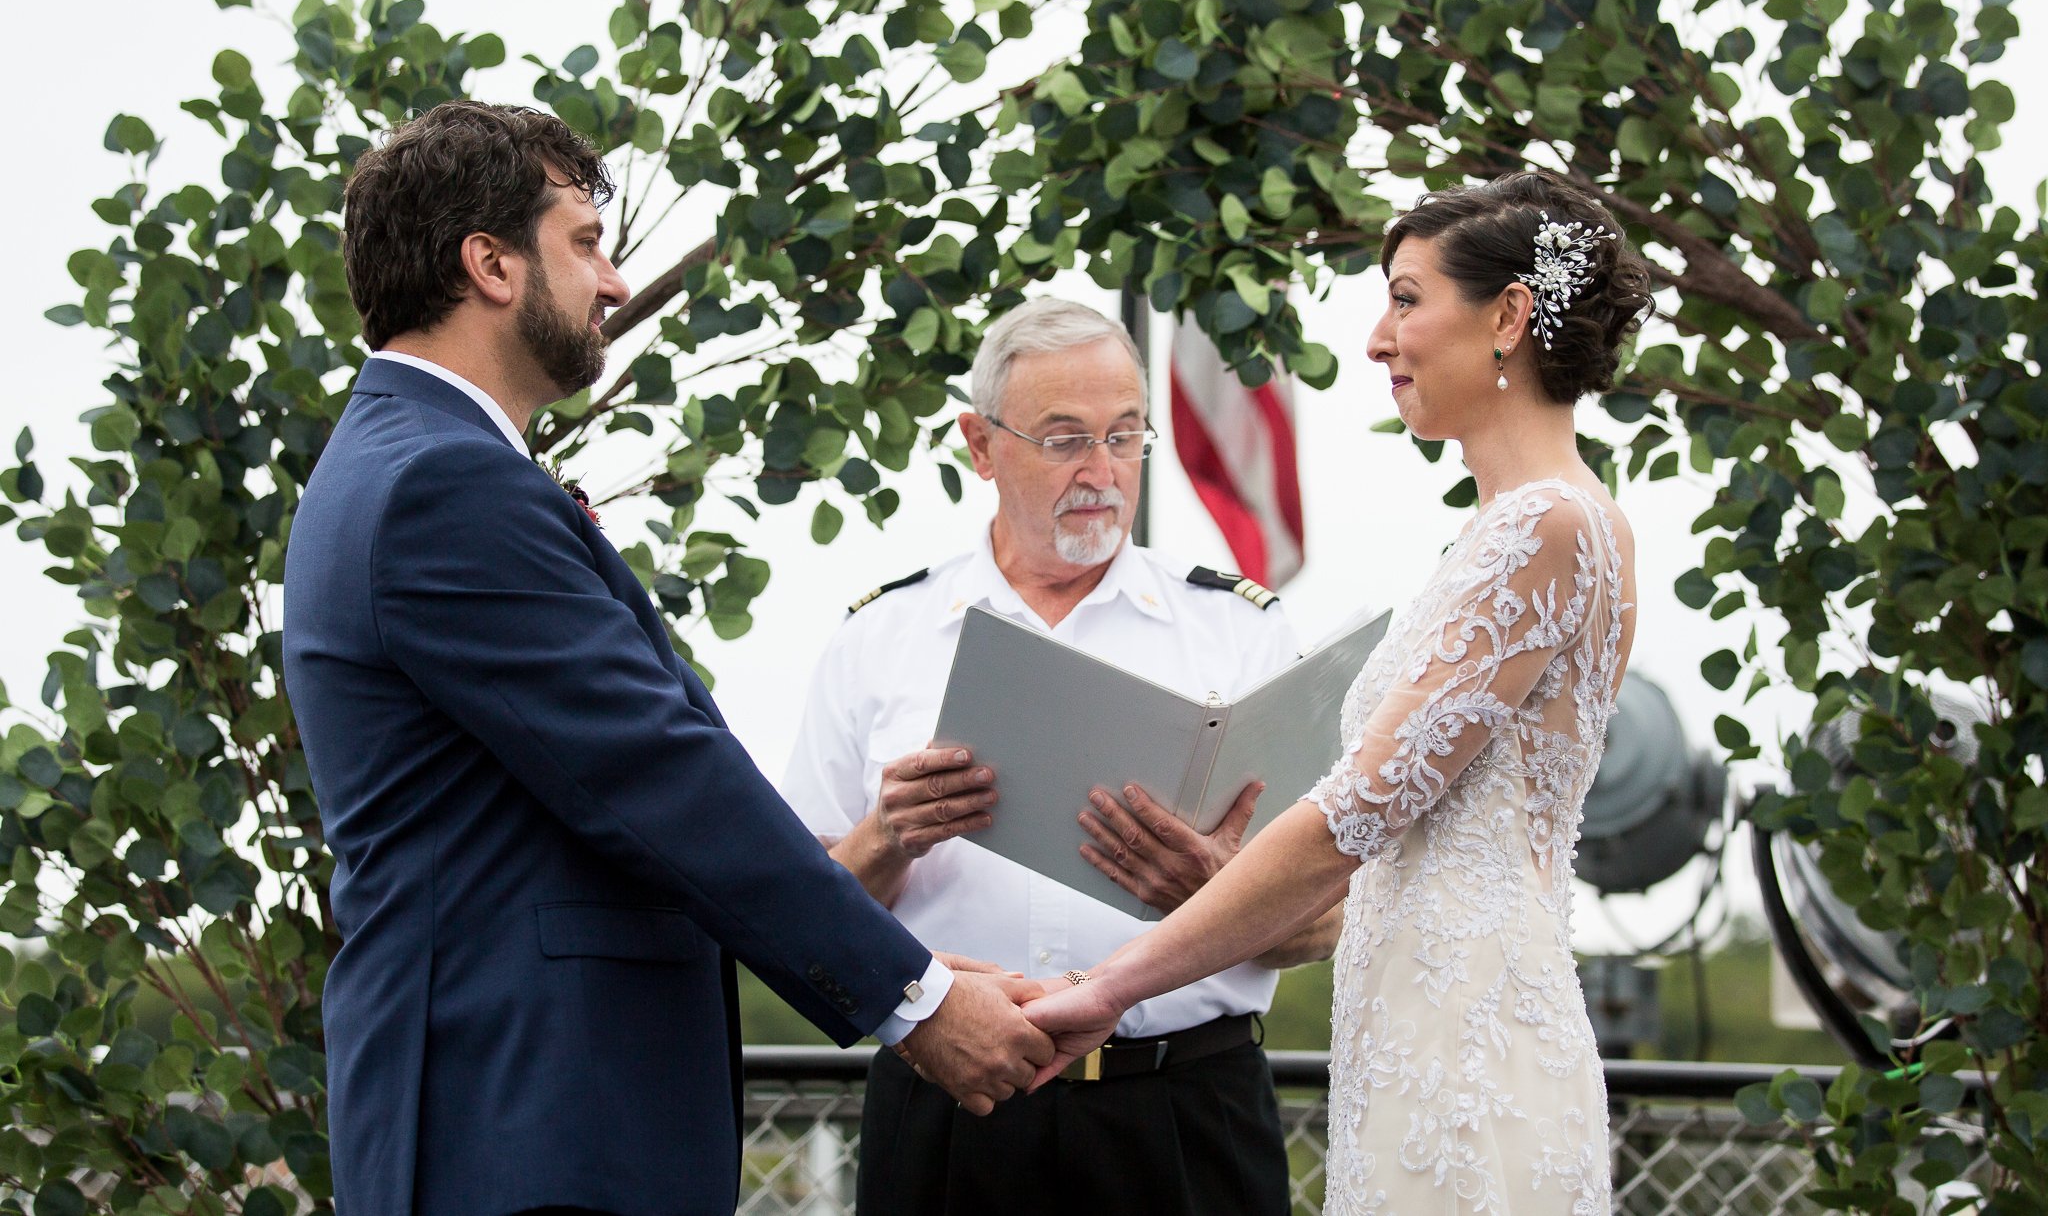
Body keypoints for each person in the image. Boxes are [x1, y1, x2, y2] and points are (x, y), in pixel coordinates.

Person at [282, 101, 1051, 1216]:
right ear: (488, 264)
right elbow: (657, 776)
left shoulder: (407, 464)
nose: (613, 283)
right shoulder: (440, 486)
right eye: (584, 243)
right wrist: (915, 1000)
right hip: (522, 1128)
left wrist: (903, 964)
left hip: (528, 1115)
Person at [1024, 171, 1649, 1214]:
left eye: (1405, 299)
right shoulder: (1541, 526)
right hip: (1417, 1027)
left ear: (1507, 316)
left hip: (1466, 1049)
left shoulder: (1544, 527)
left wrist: (1108, 987)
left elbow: (1346, 819)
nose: (1374, 339)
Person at [779, 297, 1344, 1216]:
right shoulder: (883, 636)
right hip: (947, 1111)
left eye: (1126, 436)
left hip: (1183, 1113)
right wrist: (888, 835)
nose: (1102, 471)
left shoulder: (1237, 633)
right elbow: (796, 912)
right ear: (979, 442)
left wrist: (1217, 892)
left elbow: (1328, 920)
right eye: (1065, 438)